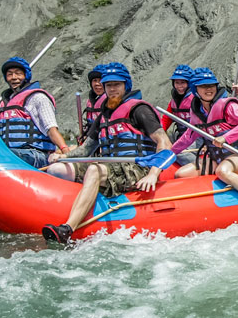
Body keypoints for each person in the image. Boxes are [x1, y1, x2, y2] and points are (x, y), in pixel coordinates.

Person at [41, 62, 174, 244]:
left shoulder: (139, 110)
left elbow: (164, 142)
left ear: (125, 85)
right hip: (113, 168)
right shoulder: (104, 116)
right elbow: (86, 149)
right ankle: (59, 209)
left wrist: (153, 174)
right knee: (58, 169)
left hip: (138, 168)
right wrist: (63, 157)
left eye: (116, 85)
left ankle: (68, 228)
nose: (112, 90)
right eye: (108, 86)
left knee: (95, 170)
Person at [172, 67, 238, 226]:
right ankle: (200, 211)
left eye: (211, 85)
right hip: (219, 157)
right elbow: (188, 136)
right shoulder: (197, 110)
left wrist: (225, 137)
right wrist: (168, 154)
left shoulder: (227, 105)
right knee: (181, 174)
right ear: (195, 89)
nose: (208, 89)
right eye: (203, 86)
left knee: (222, 171)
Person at [0, 57, 70, 168]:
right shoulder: (5, 104)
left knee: (5, 156)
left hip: (36, 154)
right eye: (10, 74)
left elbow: (51, 129)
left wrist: (65, 150)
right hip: (11, 153)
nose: (14, 78)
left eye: (18, 73)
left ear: (26, 76)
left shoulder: (38, 98)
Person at [160, 64, 199, 166]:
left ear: (189, 83)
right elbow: (166, 119)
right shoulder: (174, 100)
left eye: (183, 83)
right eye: (177, 83)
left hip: (196, 138)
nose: (179, 86)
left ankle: (199, 166)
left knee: (177, 153)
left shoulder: (196, 99)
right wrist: (159, 134)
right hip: (182, 136)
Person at [79, 64, 107, 143]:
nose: (97, 83)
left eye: (100, 80)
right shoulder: (91, 102)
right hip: (92, 141)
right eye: (95, 80)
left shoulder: (111, 101)